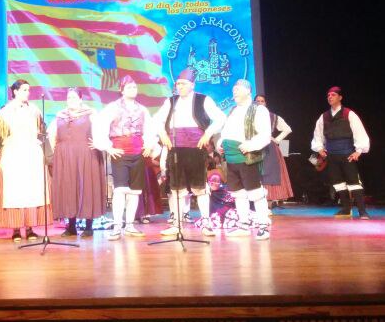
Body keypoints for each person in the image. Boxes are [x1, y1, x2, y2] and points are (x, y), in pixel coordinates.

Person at [153, 68, 226, 238]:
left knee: (200, 187)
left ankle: (206, 223)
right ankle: (177, 225)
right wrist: (163, 134)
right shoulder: (171, 101)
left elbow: (221, 118)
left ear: (192, 84)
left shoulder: (203, 100)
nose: (180, 86)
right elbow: (156, 120)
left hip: (196, 149)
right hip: (175, 149)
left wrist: (208, 133)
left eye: (184, 84)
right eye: (178, 84)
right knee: (177, 188)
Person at [0, 79, 52, 242]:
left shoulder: (35, 109)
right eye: (24, 90)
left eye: (28, 90)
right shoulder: (6, 111)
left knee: (31, 189)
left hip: (31, 153)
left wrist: (39, 138)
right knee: (14, 189)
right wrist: (3, 141)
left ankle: (29, 228)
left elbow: (43, 128)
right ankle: (15, 228)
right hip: (14, 152)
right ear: (15, 92)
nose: (27, 93)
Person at [92, 75, 156, 240]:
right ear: (121, 90)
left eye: (134, 87)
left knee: (134, 192)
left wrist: (149, 145)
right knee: (120, 191)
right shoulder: (113, 108)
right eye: (129, 87)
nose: (132, 90)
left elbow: (150, 128)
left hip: (137, 153)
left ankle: (129, 225)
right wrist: (108, 147)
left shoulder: (142, 109)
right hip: (120, 153)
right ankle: (116, 226)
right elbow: (100, 126)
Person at [217, 79, 273, 240]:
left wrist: (250, 145)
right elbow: (226, 131)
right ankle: (243, 225)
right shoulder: (233, 110)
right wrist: (220, 143)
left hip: (248, 157)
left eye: (238, 89)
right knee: (238, 193)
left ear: (248, 91)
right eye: (233, 89)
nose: (234, 91)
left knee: (255, 192)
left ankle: (263, 226)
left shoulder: (258, 110)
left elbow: (265, 134)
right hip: (231, 158)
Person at [47, 87, 106, 238]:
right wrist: (55, 153)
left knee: (87, 187)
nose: (71, 100)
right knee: (69, 188)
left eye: (74, 97)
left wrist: (98, 144)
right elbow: (51, 135)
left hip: (86, 155)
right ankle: (71, 226)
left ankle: (88, 226)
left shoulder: (91, 114)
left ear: (80, 99)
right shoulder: (60, 116)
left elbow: (101, 131)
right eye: (69, 98)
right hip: (65, 157)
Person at [311, 86, 371, 219]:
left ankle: (362, 211)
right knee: (337, 182)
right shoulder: (324, 116)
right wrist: (319, 148)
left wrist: (358, 151)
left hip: (347, 153)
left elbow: (359, 132)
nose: (330, 97)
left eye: (333, 95)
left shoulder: (349, 114)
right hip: (331, 155)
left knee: (353, 182)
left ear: (340, 97)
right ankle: (346, 208)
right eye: (328, 95)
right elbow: (318, 134)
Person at [254, 95, 294, 207]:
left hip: (268, 147)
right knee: (255, 173)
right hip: (253, 146)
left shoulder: (273, 117)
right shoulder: (249, 116)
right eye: (257, 101)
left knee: (269, 173)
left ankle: (269, 202)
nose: (260, 103)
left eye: (262, 101)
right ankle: (256, 203)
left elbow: (287, 129)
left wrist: (276, 140)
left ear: (265, 103)